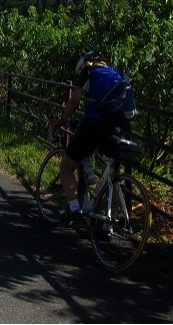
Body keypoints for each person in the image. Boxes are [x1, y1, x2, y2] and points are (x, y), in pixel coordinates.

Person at [51, 51, 129, 221]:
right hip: (117, 128)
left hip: (94, 125)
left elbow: (74, 100)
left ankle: (74, 208)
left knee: (66, 166)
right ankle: (110, 224)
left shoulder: (89, 71)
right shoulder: (117, 74)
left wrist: (63, 120)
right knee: (111, 175)